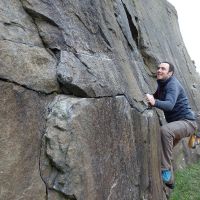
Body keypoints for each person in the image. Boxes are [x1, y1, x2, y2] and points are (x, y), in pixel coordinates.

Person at [146, 62, 197, 189]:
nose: (159, 70)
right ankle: (170, 181)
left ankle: (166, 170)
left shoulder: (172, 84)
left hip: (187, 122)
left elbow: (169, 104)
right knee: (162, 150)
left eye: (163, 69)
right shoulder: (162, 84)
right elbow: (156, 96)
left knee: (165, 131)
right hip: (177, 125)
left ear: (170, 73)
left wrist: (154, 101)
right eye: (158, 68)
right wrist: (151, 98)